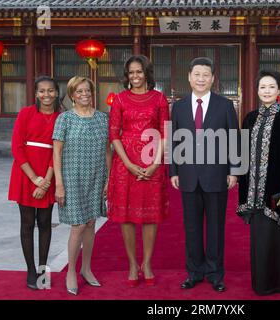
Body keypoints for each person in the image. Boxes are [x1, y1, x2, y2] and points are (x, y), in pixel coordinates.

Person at [170, 57, 239, 292]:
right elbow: (174, 139)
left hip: (217, 175)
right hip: (188, 176)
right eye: (196, 74)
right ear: (189, 77)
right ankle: (194, 273)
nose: (201, 78)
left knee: (216, 229)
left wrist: (234, 171)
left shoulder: (225, 105)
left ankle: (215, 274)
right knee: (191, 228)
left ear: (212, 78)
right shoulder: (178, 106)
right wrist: (174, 170)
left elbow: (234, 139)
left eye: (205, 74)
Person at [237, 70, 280, 295]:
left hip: (279, 189)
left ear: (278, 91)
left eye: (271, 87)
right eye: (262, 87)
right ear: (257, 91)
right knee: (260, 239)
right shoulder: (249, 118)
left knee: (279, 237)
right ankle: (262, 284)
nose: (266, 91)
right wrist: (237, 177)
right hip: (254, 190)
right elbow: (242, 152)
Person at [107, 55, 169, 287]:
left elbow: (165, 132)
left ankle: (148, 263)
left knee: (151, 216)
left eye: (139, 72)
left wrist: (155, 163)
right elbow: (114, 134)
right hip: (125, 163)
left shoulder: (159, 98)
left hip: (152, 160)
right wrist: (129, 164)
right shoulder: (120, 100)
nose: (135, 76)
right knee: (127, 217)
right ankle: (133, 263)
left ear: (147, 74)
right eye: (131, 72)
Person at [53, 76, 112, 296]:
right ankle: (71, 272)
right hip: (72, 178)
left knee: (90, 223)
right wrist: (59, 184)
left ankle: (86, 269)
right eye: (79, 91)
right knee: (77, 226)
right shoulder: (64, 119)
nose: (84, 94)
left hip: (96, 176)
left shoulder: (102, 118)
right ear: (72, 95)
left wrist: (109, 178)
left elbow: (108, 151)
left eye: (87, 90)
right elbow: (56, 153)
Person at [8, 76, 61, 290]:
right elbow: (16, 147)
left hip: (48, 173)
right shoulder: (25, 113)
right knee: (27, 224)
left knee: (46, 223)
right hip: (25, 174)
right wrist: (34, 179)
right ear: (36, 93)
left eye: (50, 91)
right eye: (42, 91)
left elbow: (57, 150)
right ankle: (30, 270)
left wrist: (46, 181)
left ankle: (42, 269)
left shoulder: (61, 118)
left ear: (57, 93)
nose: (46, 95)